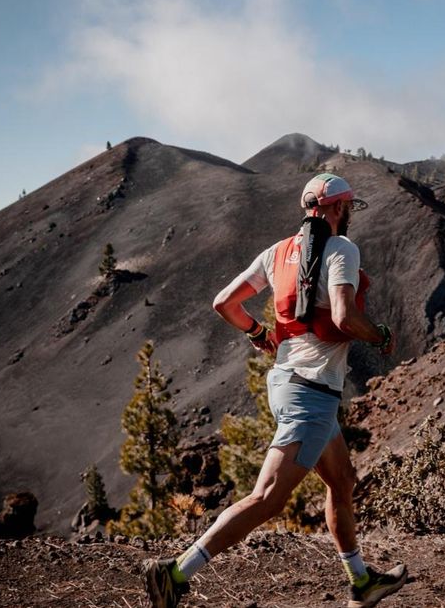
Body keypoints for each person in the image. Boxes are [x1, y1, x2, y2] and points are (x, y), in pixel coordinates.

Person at [141, 173, 407, 608]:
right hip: (311, 394)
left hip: (288, 383)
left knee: (342, 481)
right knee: (267, 498)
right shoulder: (342, 249)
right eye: (350, 207)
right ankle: (173, 573)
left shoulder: (277, 252)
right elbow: (343, 317)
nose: (350, 215)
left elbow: (224, 303)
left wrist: (258, 332)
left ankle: (361, 583)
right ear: (339, 208)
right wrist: (379, 335)